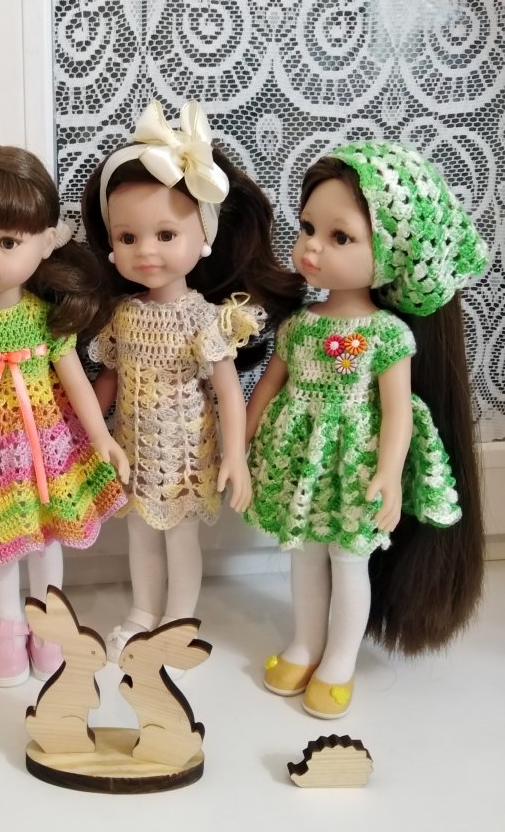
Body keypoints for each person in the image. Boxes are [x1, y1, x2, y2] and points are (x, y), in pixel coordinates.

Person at [245, 141, 488, 718]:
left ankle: (339, 660)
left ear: (394, 255)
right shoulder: (300, 325)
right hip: (300, 463)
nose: (311, 247)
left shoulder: (385, 335)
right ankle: (306, 644)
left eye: (340, 237)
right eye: (308, 228)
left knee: (349, 560)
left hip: (355, 465)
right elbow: (270, 386)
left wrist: (389, 473)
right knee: (305, 555)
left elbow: (399, 411)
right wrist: (242, 442)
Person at [81, 100, 303, 660]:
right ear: (111, 243)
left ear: (202, 236)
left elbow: (228, 393)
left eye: (165, 234)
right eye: (127, 237)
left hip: (185, 457)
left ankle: (179, 619)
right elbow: (108, 380)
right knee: (139, 534)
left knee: (180, 539)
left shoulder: (204, 319)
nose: (145, 251)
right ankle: (142, 610)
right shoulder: (122, 316)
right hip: (133, 451)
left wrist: (235, 456)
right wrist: (86, 432)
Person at [0, 144, 129, 687]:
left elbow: (75, 380)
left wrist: (102, 438)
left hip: (47, 454)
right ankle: (8, 626)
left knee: (47, 542)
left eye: (7, 242)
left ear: (47, 242)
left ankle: (49, 625)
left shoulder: (45, 319)